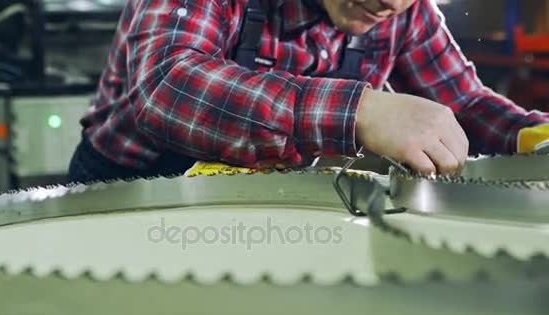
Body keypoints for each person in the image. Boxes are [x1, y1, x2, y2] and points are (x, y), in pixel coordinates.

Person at [68, 0, 549, 183]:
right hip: (129, 190)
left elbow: (462, 104)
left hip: (264, 203)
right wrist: (357, 111)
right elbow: (167, 87)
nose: (392, 3)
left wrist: (531, 137)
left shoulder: (407, 12)